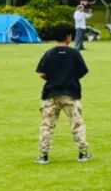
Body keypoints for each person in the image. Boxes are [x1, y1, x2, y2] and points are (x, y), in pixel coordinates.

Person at [35, 30, 91, 164]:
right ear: (68, 37)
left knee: (47, 125)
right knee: (76, 123)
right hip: (70, 93)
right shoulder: (74, 53)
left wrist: (53, 79)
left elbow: (41, 73)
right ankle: (83, 153)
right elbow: (83, 71)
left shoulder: (49, 53)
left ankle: (44, 154)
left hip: (51, 94)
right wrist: (70, 78)